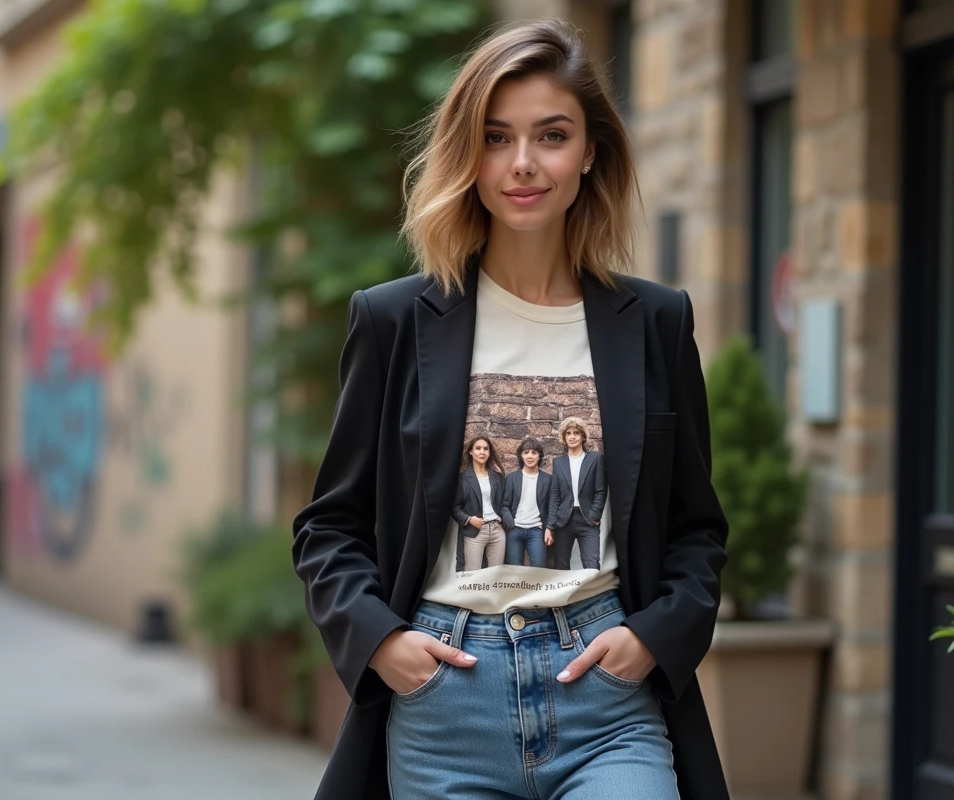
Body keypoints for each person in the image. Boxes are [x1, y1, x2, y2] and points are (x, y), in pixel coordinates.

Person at [292, 18, 730, 800]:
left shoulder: (657, 323)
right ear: (470, 152)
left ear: (591, 150)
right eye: (496, 138)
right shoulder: (394, 321)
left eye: (551, 135)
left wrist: (652, 638)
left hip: (607, 699)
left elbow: (696, 528)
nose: (523, 164)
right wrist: (384, 643)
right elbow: (329, 527)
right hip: (444, 707)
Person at [548, 417, 607, 569]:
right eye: (568, 433)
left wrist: (594, 515)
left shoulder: (595, 458)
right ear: (564, 437)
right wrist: (550, 525)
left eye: (576, 433)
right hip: (564, 521)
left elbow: (600, 490)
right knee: (561, 566)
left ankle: (593, 594)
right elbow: (555, 496)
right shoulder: (558, 462)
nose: (572, 436)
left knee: (591, 564)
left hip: (587, 519)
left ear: (583, 436)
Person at [451, 436, 507, 570]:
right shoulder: (462, 478)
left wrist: (502, 518)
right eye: (478, 448)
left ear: (489, 452)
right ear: (471, 452)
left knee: (496, 574)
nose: (482, 452)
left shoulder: (497, 477)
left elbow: (504, 502)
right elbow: (454, 507)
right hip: (474, 531)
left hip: (497, 531)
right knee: (472, 574)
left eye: (486, 449)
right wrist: (469, 519)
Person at [500, 438, 554, 567]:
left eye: (534, 452)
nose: (530, 456)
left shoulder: (548, 479)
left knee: (539, 568)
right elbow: (504, 505)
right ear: (521, 455)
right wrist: (510, 525)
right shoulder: (512, 478)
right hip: (515, 529)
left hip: (537, 530)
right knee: (514, 569)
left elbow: (552, 507)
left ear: (539, 456)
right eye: (526, 452)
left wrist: (549, 529)